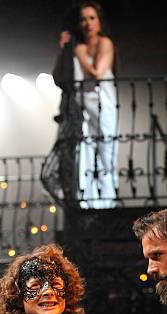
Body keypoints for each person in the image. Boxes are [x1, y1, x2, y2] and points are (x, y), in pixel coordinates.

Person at [56, 2, 118, 209]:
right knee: (85, 151)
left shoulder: (104, 43)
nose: (87, 23)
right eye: (83, 19)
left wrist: (80, 53)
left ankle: (108, 200)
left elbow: (98, 72)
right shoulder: (74, 46)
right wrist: (65, 49)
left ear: (99, 22)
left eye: (92, 18)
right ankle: (89, 201)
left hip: (103, 103)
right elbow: (58, 75)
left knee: (106, 148)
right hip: (81, 105)